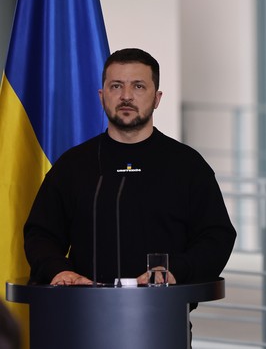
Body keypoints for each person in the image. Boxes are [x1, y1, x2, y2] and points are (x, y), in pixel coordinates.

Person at [24, 48, 237, 287]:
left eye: (138, 86)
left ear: (157, 98)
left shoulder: (188, 165)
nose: (126, 96)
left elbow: (217, 237)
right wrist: (58, 271)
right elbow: (40, 234)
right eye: (116, 86)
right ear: (101, 96)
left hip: (164, 314)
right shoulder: (72, 165)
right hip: (81, 313)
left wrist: (176, 271)